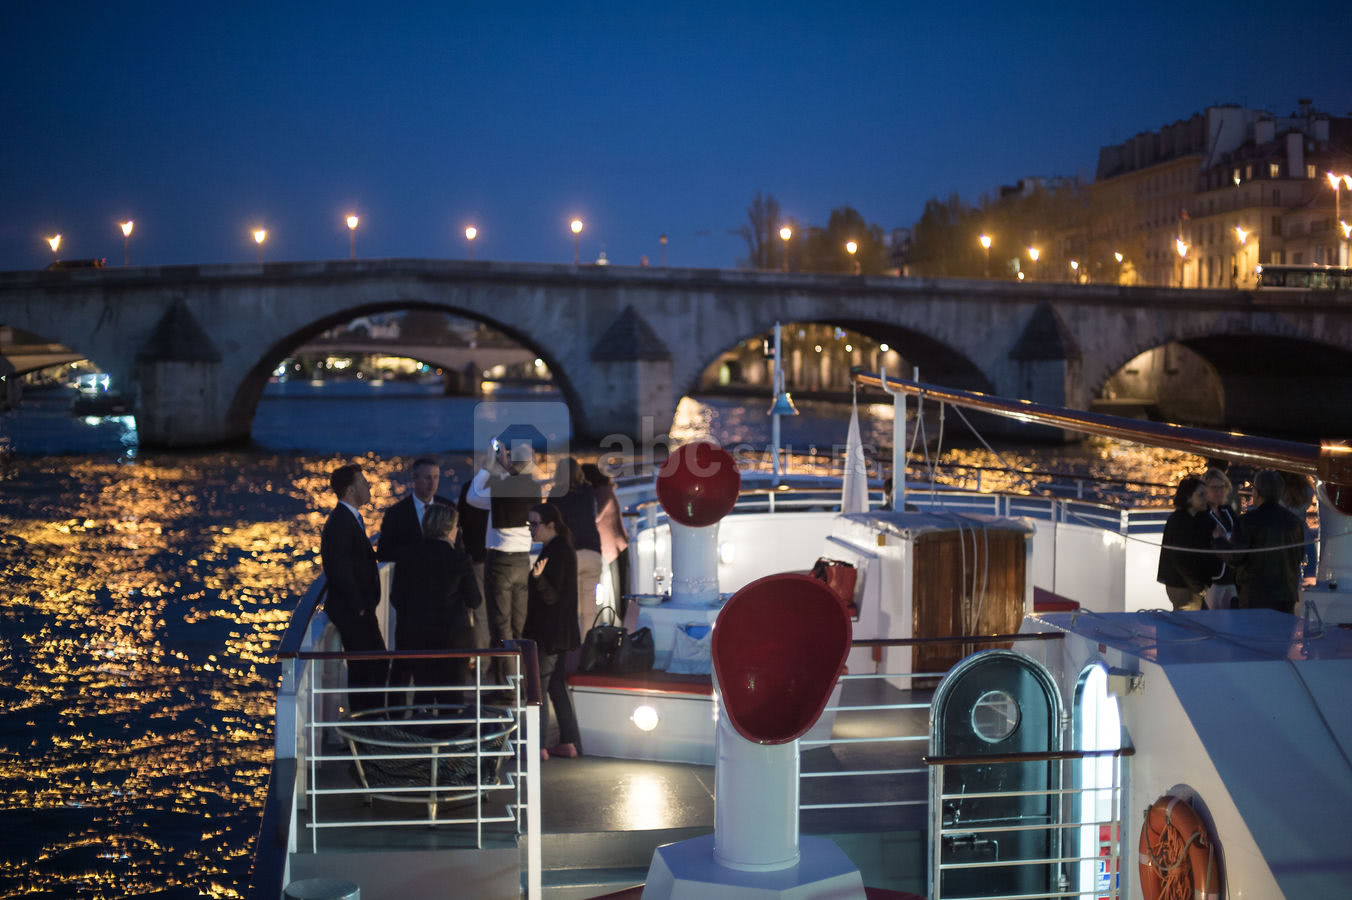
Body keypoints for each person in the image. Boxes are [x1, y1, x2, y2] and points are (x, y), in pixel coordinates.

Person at [388, 503, 482, 710]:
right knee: (452, 698)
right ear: (449, 528)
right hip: (454, 641)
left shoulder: (407, 556)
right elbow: (475, 600)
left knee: (424, 694)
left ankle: (424, 736)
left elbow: (396, 598)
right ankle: (449, 738)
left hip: (418, 638)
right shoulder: (459, 559)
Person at [465, 440, 542, 675]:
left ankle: (507, 687)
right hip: (523, 561)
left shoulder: (500, 486)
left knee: (501, 628)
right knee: (520, 626)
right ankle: (523, 681)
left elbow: (473, 496)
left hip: (500, 561)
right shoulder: (534, 489)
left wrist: (489, 467)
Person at [320, 463, 388, 713]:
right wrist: (360, 606)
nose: (368, 487)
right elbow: (339, 569)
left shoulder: (349, 519)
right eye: (363, 483)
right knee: (368, 669)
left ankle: (371, 723)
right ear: (350, 490)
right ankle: (367, 726)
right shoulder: (340, 523)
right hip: (354, 612)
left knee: (373, 666)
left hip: (360, 609)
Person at [524, 503, 582, 761]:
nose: (531, 529)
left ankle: (537, 746)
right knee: (556, 686)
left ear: (551, 525)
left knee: (539, 687)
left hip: (548, 633)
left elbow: (552, 596)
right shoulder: (560, 549)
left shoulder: (556, 551)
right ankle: (568, 742)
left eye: (535, 524)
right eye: (529, 524)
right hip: (560, 632)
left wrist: (537, 578)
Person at [1233, 470, 1304, 613]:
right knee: (1281, 634)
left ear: (1256, 492)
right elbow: (1299, 555)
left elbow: (1235, 557)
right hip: (1286, 596)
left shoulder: (1247, 521)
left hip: (1255, 596)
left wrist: (1218, 541)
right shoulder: (1294, 522)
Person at [548, 457, 604, 638]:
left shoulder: (556, 494)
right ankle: (589, 650)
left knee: (573, 606)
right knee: (590, 608)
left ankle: (572, 652)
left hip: (571, 555)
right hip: (593, 552)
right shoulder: (588, 491)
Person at [1156, 475, 1221, 611]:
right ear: (1188, 498)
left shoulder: (1197, 519)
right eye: (1201, 495)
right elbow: (1181, 560)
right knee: (1192, 624)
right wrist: (1200, 589)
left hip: (1186, 585)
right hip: (1184, 587)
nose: (1206, 499)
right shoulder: (1179, 523)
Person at [584, 463, 630, 621]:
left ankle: (620, 629)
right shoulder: (604, 490)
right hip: (613, 547)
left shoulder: (602, 492)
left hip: (614, 548)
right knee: (616, 591)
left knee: (618, 593)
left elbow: (594, 516)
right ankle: (618, 626)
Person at [457, 475, 492, 651]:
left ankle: (482, 662)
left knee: (480, 613)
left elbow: (460, 521)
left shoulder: (469, 487)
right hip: (498, 557)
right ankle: (503, 658)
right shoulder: (503, 485)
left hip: (475, 556)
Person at [1201, 468, 1239, 610]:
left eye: (1222, 487)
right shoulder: (1203, 514)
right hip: (1214, 577)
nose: (1219, 491)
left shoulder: (1227, 511)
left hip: (1231, 575)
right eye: (1214, 488)